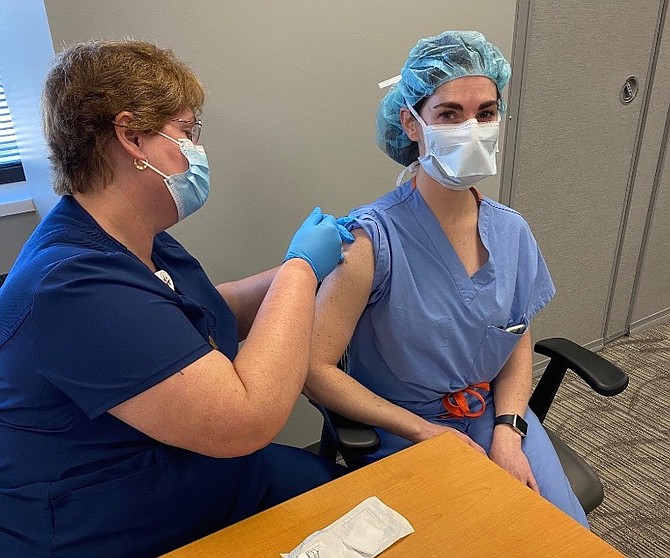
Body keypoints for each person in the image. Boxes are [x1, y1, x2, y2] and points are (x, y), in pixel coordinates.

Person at [0, 40, 353, 557]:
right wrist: (300, 271)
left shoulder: (137, 236)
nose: (197, 152)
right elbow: (247, 418)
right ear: (132, 137)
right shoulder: (69, 287)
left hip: (200, 476)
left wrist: (299, 273)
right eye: (187, 133)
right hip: (115, 525)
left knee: (345, 496)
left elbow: (199, 312)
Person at [305, 30, 589, 527]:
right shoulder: (370, 241)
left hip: (494, 416)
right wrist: (423, 432)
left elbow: (516, 338)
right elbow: (315, 369)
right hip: (404, 428)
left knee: (560, 533)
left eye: (486, 113)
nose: (472, 129)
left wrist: (508, 429)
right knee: (476, 536)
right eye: (450, 114)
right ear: (411, 124)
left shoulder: (512, 231)